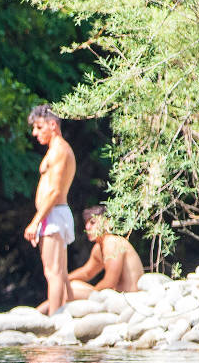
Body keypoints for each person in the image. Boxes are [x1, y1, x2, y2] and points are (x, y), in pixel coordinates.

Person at [25, 105, 77, 316]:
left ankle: (55, 320)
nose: (35, 133)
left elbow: (55, 191)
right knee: (61, 272)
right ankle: (68, 313)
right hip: (53, 214)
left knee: (52, 272)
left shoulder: (59, 150)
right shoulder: (55, 150)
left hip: (54, 213)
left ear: (52, 125)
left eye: (39, 127)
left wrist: (35, 221)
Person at [67, 205, 143, 297]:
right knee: (70, 285)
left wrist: (93, 294)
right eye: (86, 223)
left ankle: (47, 309)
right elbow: (87, 273)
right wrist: (64, 279)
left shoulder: (112, 242)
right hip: (115, 296)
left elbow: (110, 282)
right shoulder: (99, 247)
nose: (87, 227)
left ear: (107, 223)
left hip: (128, 298)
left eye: (92, 222)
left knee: (69, 290)